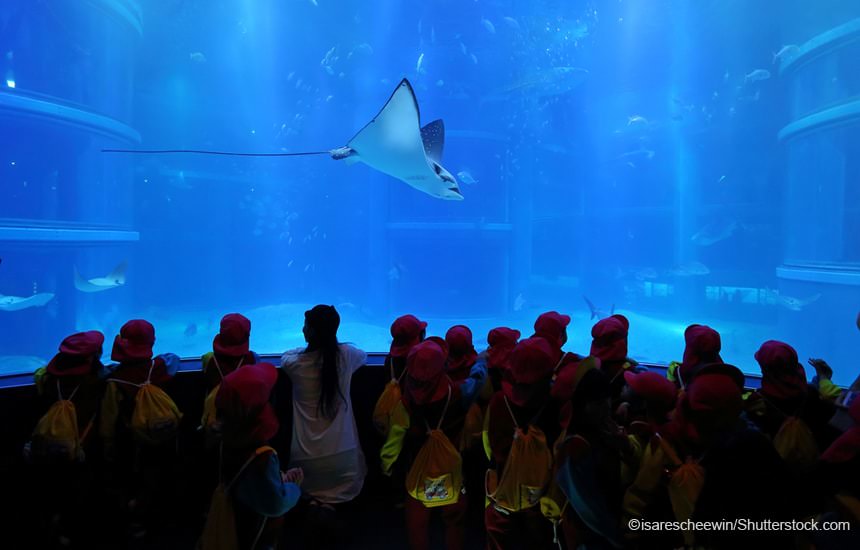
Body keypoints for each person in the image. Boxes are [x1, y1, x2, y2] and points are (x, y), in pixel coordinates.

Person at [280, 305, 367, 548]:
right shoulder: (347, 356)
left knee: (307, 487)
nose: (302, 329)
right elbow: (364, 355)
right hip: (344, 461)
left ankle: (315, 506)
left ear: (311, 332)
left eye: (306, 326)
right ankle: (327, 508)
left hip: (305, 462)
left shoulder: (295, 365)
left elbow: (286, 355)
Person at [381, 339, 469, 550]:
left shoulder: (404, 404)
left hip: (418, 475)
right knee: (455, 522)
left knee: (417, 526)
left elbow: (393, 441)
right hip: (452, 474)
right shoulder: (458, 394)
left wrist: (387, 467)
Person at [99, 319, 181, 539]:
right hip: (163, 437)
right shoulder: (160, 367)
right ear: (152, 342)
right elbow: (174, 358)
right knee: (158, 474)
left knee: (132, 479)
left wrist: (108, 444)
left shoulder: (114, 380)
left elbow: (108, 419)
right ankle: (161, 520)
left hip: (131, 441)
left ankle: (134, 521)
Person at [207, 362, 303, 550]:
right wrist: (292, 488)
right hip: (256, 533)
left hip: (228, 520)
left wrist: (276, 479)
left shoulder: (219, 436)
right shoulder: (261, 456)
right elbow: (275, 504)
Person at [26, 331, 106, 547]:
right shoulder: (98, 381)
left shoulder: (46, 380)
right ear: (91, 357)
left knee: (50, 490)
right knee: (79, 491)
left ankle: (49, 528)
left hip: (47, 447)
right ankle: (72, 532)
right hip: (83, 447)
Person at [484, 337, 562, 550]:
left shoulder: (499, 400)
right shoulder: (556, 403)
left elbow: (489, 442)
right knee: (538, 541)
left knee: (499, 539)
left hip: (502, 487)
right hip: (540, 494)